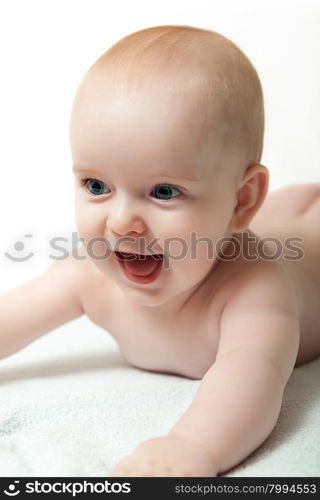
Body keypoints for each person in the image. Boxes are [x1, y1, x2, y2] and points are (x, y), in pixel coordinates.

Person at [1, 25, 320, 477]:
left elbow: (255, 377)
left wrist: (192, 447)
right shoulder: (88, 274)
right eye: (97, 186)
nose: (119, 222)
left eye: (164, 191)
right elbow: (15, 312)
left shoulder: (255, 290)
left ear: (241, 199)